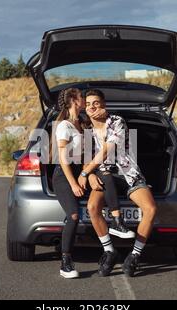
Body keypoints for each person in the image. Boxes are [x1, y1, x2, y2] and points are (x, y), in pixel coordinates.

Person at [79, 89, 158, 277]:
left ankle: (134, 256)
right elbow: (86, 156)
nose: (92, 107)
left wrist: (85, 172)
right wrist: (89, 175)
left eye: (96, 103)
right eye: (88, 104)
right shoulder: (85, 128)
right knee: (92, 207)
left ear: (103, 104)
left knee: (151, 209)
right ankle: (109, 251)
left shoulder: (116, 121)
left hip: (128, 173)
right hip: (104, 175)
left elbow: (107, 150)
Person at [52, 87, 107, 279]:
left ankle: (108, 253)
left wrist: (87, 174)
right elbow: (63, 159)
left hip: (81, 172)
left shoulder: (81, 123)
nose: (84, 100)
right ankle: (65, 262)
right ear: (74, 100)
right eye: (82, 97)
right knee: (74, 215)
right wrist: (74, 184)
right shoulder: (64, 126)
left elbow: (89, 151)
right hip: (64, 176)